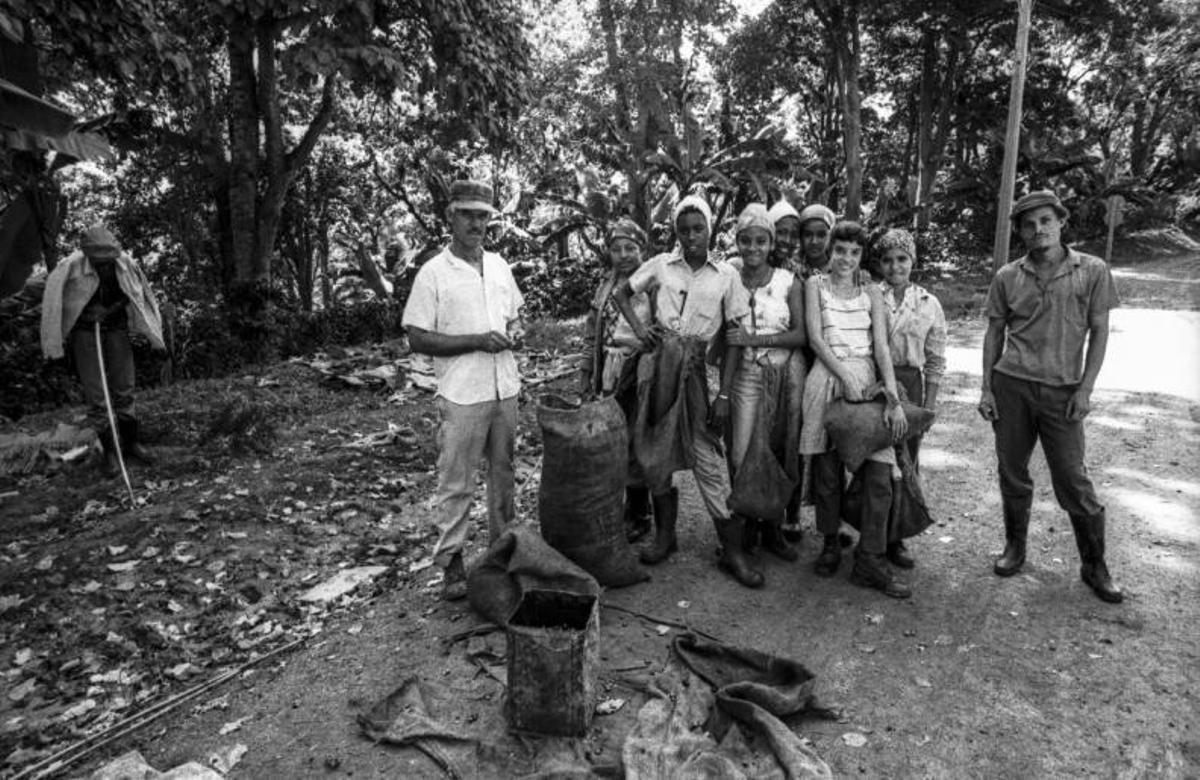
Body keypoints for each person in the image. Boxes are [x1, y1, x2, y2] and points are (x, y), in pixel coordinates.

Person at [979, 190, 1122, 603]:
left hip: (1063, 391)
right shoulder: (1007, 276)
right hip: (1012, 385)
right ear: (1020, 231)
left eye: (1045, 220)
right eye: (1028, 223)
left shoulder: (1091, 270)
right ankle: (1015, 548)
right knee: (1012, 471)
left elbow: (1099, 331)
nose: (1038, 229)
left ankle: (1095, 565)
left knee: (1072, 478)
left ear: (1061, 222)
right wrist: (987, 387)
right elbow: (994, 333)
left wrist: (1086, 388)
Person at [612, 194, 762, 587]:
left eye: (699, 228)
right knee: (656, 449)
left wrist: (725, 395)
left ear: (711, 228)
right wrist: (643, 331)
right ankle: (665, 536)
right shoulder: (661, 264)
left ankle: (732, 551)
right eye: (684, 229)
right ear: (675, 231)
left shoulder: (726, 275)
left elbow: (732, 341)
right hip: (660, 367)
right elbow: (622, 293)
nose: (691, 236)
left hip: (697, 372)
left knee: (707, 455)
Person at [401, 180, 524, 602]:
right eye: (467, 214)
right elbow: (416, 337)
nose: (476, 223)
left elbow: (515, 317)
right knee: (457, 480)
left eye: (483, 215)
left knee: (503, 474)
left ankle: (501, 551)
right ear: (450, 216)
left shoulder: (500, 266)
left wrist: (514, 332)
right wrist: (476, 340)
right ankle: (452, 561)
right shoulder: (434, 273)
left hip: (504, 388)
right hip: (461, 394)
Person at [799, 221, 910, 598]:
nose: (846, 259)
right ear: (830, 251)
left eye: (854, 252)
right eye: (840, 250)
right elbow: (815, 337)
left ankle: (871, 558)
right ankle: (830, 543)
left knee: (881, 469)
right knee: (827, 471)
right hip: (826, 376)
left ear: (863, 257)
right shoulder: (815, 285)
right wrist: (842, 375)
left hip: (865, 379)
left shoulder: (872, 291)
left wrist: (892, 399)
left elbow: (881, 347)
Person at [41, 225, 165, 475]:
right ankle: (110, 453)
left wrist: (108, 311)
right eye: (99, 262)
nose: (105, 266)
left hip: (116, 328)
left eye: (108, 261)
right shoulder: (70, 267)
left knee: (124, 386)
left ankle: (131, 445)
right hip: (86, 333)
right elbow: (57, 304)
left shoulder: (125, 263)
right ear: (87, 255)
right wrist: (87, 313)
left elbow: (135, 295)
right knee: (97, 394)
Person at [725, 204, 807, 562]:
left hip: (781, 377)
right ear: (738, 242)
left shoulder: (788, 281)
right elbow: (724, 334)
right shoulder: (729, 276)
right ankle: (746, 527)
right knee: (741, 453)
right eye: (746, 240)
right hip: (745, 376)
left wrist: (756, 342)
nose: (753, 248)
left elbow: (800, 335)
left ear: (770, 243)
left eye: (761, 241)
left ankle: (772, 528)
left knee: (775, 450)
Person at [873, 227, 947, 568]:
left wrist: (928, 406)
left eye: (901, 259)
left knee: (907, 461)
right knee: (879, 461)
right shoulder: (872, 296)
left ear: (912, 261)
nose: (895, 266)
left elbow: (935, 360)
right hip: (879, 383)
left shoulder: (928, 304)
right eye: (887, 260)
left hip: (912, 384)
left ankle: (897, 536)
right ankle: (872, 531)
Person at [579, 218, 654, 542]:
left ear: (642, 250)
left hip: (639, 372)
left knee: (637, 441)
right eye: (616, 248)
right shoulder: (605, 286)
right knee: (612, 441)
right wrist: (586, 375)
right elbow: (590, 334)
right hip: (608, 373)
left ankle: (640, 512)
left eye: (630, 248)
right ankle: (618, 507)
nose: (623, 254)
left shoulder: (652, 284)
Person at [796, 204, 836, 278]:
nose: (814, 241)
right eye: (808, 234)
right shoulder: (792, 270)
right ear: (801, 237)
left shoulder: (841, 268)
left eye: (821, 235)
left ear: (830, 237)